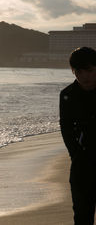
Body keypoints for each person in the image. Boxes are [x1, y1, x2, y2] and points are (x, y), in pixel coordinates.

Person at [60, 46, 96, 225]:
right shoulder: (67, 94)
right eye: (78, 72)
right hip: (82, 165)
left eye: (89, 70)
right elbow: (65, 127)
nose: (84, 76)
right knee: (82, 216)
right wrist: (75, 154)